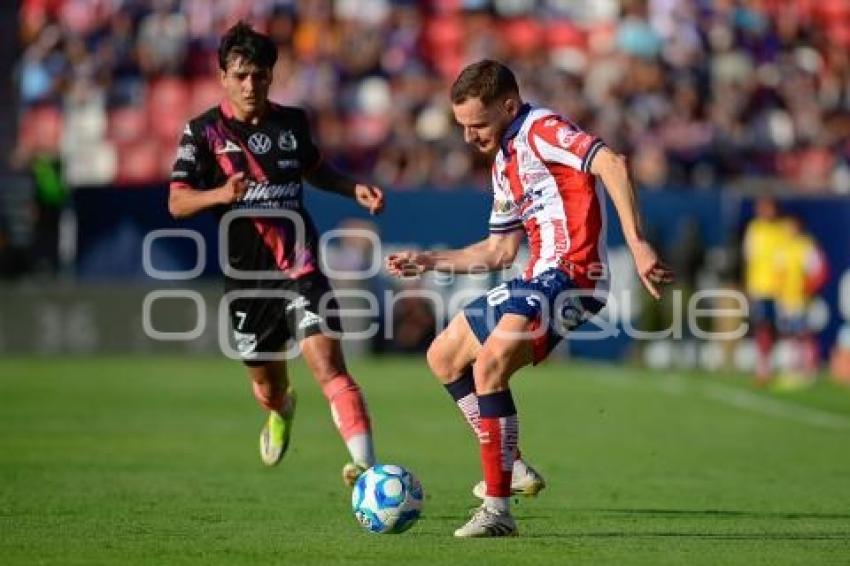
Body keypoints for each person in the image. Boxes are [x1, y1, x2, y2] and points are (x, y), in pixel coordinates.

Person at [385, 60, 673, 538]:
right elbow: (499, 250)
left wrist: (637, 241)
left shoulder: (543, 129)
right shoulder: (503, 164)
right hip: (537, 276)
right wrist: (431, 261)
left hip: (575, 276)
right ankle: (511, 464)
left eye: (477, 125)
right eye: (462, 127)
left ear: (509, 106)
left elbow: (611, 163)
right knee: (443, 356)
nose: (468, 137)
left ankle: (497, 511)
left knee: (490, 364)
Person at [168, 22, 385, 485]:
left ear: (271, 76)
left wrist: (353, 189)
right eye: (241, 75)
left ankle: (366, 470)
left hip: (300, 267)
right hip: (247, 280)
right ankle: (282, 409)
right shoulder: (203, 133)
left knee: (329, 365)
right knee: (269, 386)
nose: (251, 85)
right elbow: (178, 201)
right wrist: (220, 195)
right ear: (223, 75)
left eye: (260, 75)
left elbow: (316, 169)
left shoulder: (292, 123)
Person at [742, 197, 789, 384]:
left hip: (781, 290)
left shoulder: (782, 230)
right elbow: (749, 259)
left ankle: (783, 366)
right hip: (760, 288)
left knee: (782, 329)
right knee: (763, 327)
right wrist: (748, 285)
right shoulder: (755, 230)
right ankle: (763, 366)